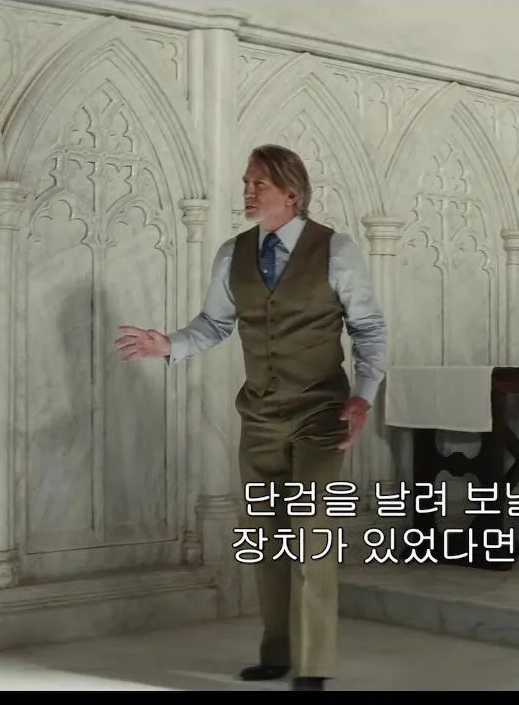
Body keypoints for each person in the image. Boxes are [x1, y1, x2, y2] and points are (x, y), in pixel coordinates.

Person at [115, 144, 388, 692]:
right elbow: (214, 324)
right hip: (259, 416)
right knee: (264, 537)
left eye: (258, 183)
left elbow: (369, 330)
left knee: (310, 536)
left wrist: (362, 397)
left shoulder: (336, 250)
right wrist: (168, 344)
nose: (247, 192)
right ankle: (277, 652)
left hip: (322, 414)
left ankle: (312, 665)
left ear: (291, 192)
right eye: (245, 182)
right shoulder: (232, 254)